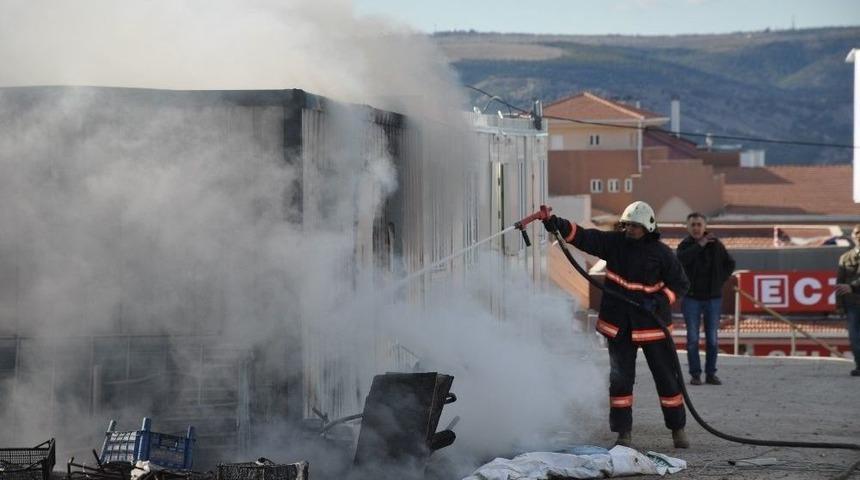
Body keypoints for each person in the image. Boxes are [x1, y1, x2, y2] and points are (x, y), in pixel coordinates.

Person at [544, 201, 691, 449]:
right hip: (620, 326)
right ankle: (623, 433)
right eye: (627, 225)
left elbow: (680, 284)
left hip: (652, 326)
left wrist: (657, 301)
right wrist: (558, 224)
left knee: (667, 380)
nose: (630, 229)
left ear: (648, 227)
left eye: (635, 226)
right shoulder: (614, 244)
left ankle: (677, 429)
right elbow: (586, 237)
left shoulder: (662, 254)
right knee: (621, 382)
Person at [676, 213, 735, 386]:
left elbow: (730, 264)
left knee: (712, 338)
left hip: (713, 299)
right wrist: (699, 245)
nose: (696, 228)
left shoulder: (716, 245)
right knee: (693, 339)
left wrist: (719, 280)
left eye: (698, 224)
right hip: (691, 298)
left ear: (704, 226)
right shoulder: (685, 246)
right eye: (692, 225)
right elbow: (680, 260)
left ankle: (711, 374)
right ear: (688, 227)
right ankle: (695, 374)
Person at [835, 224, 860, 377]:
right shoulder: (845, 258)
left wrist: (852, 286)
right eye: (856, 233)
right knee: (854, 337)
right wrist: (839, 306)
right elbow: (839, 283)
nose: (859, 235)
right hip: (852, 305)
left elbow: (847, 285)